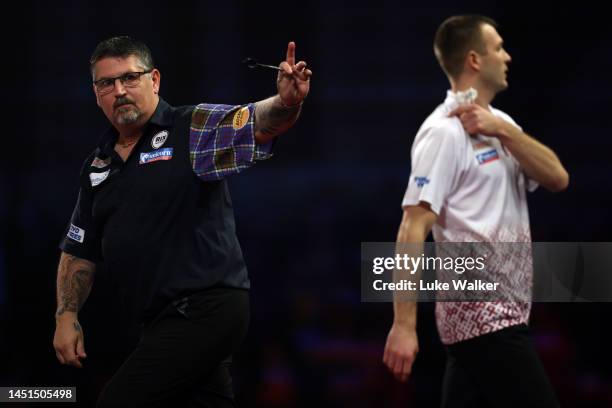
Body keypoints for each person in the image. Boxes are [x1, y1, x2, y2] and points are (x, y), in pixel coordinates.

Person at [53, 36, 312, 407]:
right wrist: (66, 316)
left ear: (154, 80)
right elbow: (79, 248)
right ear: (96, 93)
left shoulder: (190, 128)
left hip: (206, 309)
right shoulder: (98, 166)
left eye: (130, 77)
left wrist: (287, 101)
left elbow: (258, 121)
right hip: (155, 322)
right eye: (107, 83)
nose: (120, 90)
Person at [382, 15, 568, 407]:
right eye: (498, 47)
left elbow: (558, 178)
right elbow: (412, 226)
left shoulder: (503, 125)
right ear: (474, 60)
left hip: (502, 321)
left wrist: (503, 131)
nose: (508, 56)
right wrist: (403, 325)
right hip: (485, 317)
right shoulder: (442, 133)